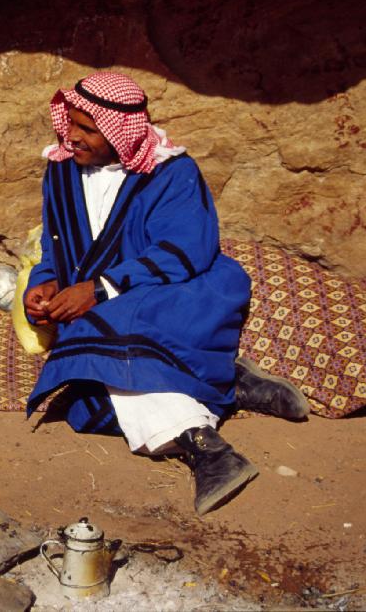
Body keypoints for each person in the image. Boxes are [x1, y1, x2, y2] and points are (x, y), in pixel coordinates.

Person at [24, 72, 306, 516]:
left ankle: (206, 449)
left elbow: (186, 249)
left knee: (111, 338)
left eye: (87, 129)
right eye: (69, 124)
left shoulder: (172, 172)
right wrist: (44, 283)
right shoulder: (61, 170)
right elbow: (53, 245)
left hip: (174, 289)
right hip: (103, 301)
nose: (71, 136)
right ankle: (224, 390)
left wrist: (98, 289)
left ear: (120, 132)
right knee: (88, 401)